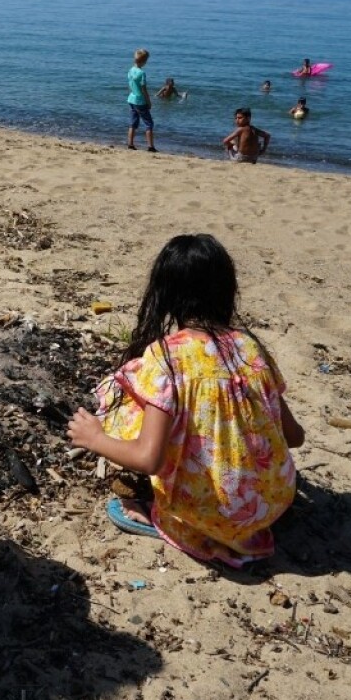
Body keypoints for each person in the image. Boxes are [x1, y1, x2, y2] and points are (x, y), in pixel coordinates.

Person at [66, 234, 305, 567]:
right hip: (274, 503)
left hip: (211, 516)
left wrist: (95, 438)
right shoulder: (251, 348)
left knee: (127, 398)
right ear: (226, 289)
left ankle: (159, 519)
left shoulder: (168, 355)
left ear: (165, 293)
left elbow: (149, 459)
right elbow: (295, 437)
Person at [126, 48, 156, 152]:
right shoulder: (141, 73)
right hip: (140, 101)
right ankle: (150, 146)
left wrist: (132, 93)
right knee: (149, 123)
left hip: (131, 99)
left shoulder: (130, 70)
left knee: (133, 123)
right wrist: (149, 101)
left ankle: (130, 144)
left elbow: (130, 85)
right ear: (143, 61)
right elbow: (144, 89)